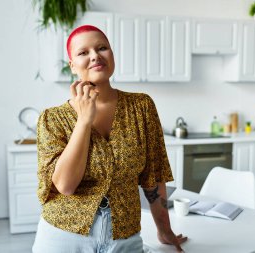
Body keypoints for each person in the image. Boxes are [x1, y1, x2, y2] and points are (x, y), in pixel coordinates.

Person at [32, 25, 187, 253]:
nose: (95, 55)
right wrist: (84, 120)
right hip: (64, 236)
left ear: (112, 55)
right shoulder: (52, 119)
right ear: (72, 66)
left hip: (125, 237)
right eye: (83, 52)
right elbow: (65, 185)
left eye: (102, 48)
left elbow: (153, 176)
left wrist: (164, 229)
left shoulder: (141, 107)